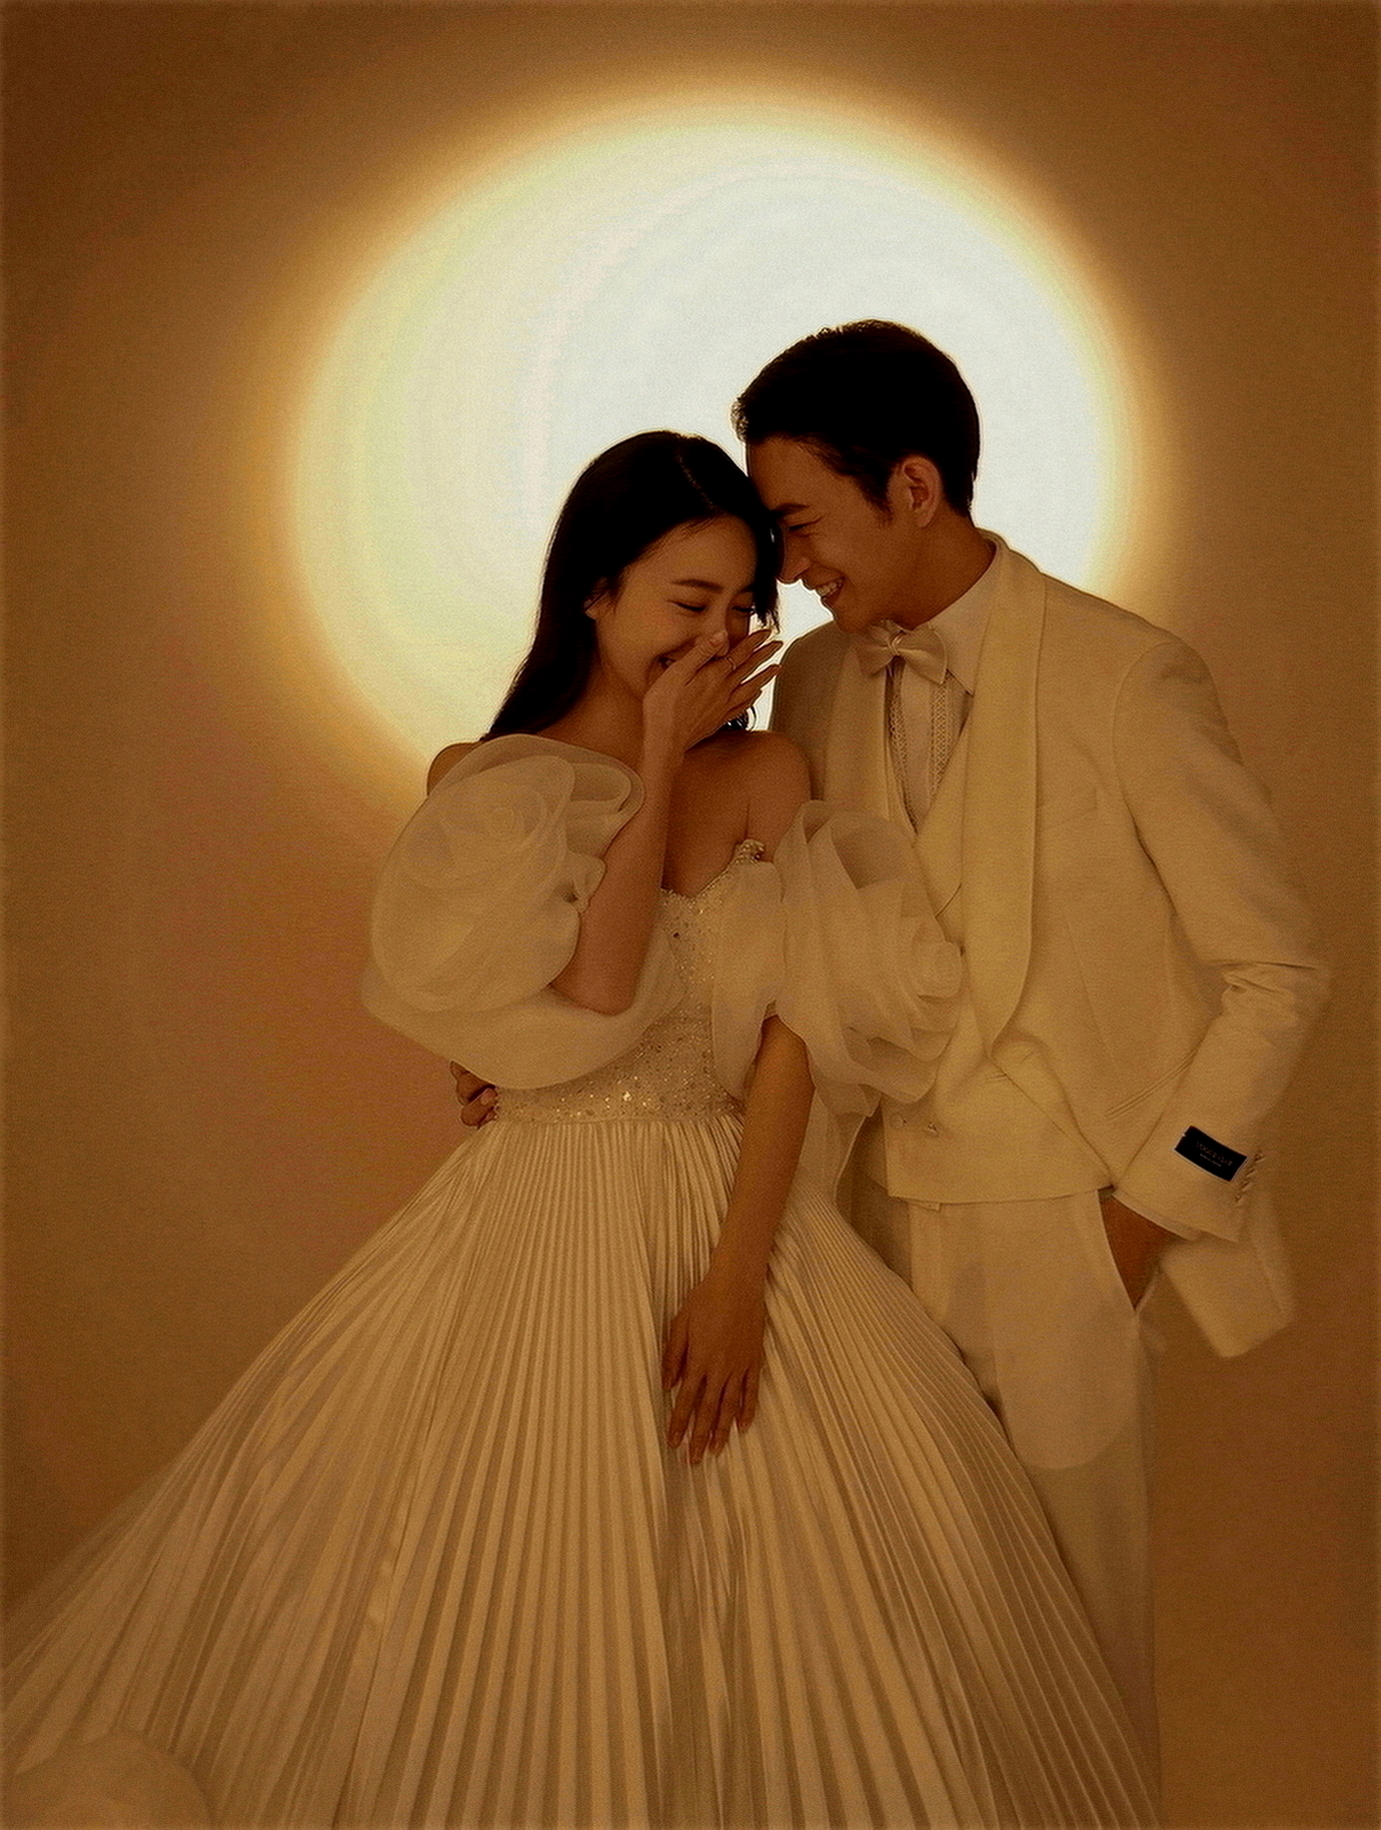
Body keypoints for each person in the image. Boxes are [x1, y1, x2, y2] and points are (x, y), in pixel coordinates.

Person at [5, 432, 1156, 1830]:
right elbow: (602, 992)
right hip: (533, 1226)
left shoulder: (771, 776)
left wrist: (738, 1278)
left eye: (744, 605)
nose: (721, 637)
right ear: (595, 592)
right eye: (690, 601)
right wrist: (658, 752)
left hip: (742, 1213)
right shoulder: (490, 786)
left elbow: (794, 1042)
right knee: (502, 1577)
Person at [727, 321, 1331, 1759]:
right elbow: (776, 948)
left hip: (1065, 1226)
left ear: (913, 485)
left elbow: (1277, 969)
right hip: (860, 1232)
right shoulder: (811, 687)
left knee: (1074, 1660)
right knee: (893, 1666)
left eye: (800, 522)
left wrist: (1145, 1215)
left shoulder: (1127, 674)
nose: (788, 565)